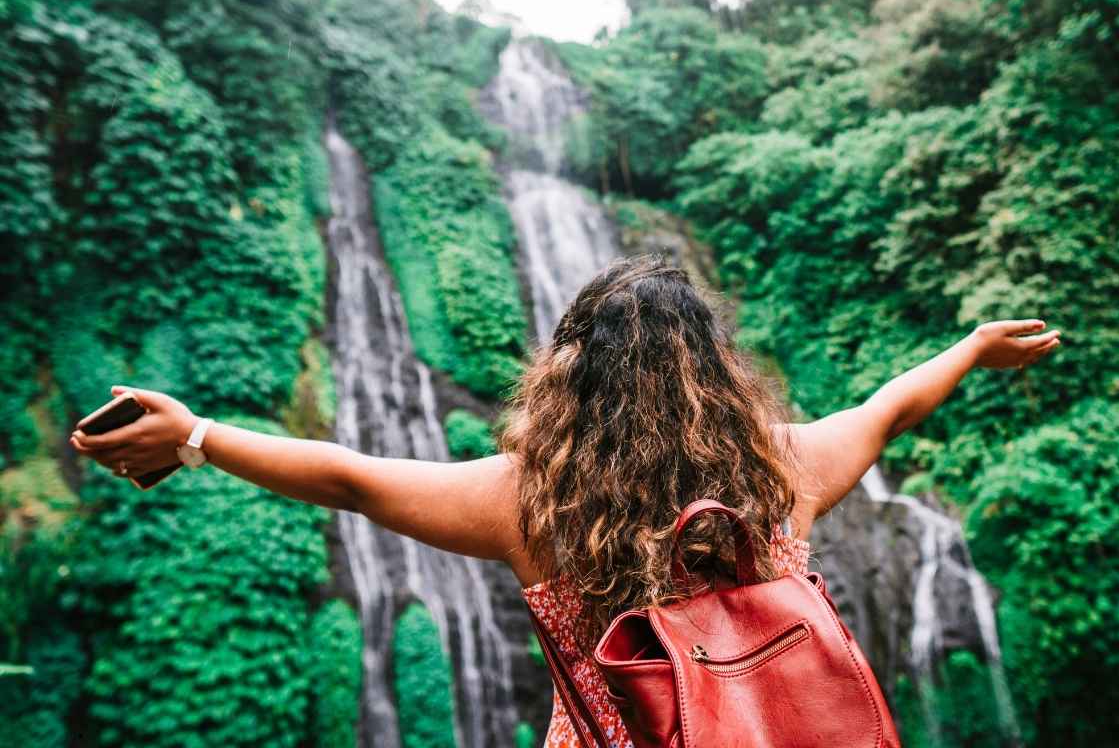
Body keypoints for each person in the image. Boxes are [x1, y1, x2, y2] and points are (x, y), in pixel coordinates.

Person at [69, 255, 1060, 747]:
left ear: (570, 372)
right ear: (714, 369)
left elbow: (348, 476)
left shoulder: (530, 503)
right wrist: (972, 348)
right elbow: (889, 407)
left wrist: (195, 436)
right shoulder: (781, 468)